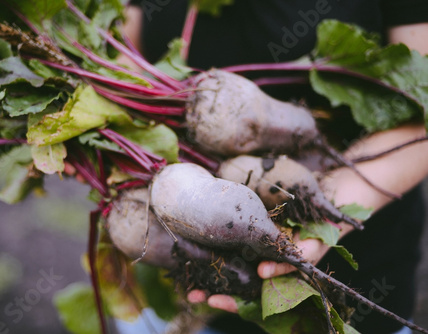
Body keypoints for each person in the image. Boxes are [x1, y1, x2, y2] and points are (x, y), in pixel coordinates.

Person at [122, 1, 428, 333]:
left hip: (361, 271)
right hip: (176, 266)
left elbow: (421, 110)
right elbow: (130, 38)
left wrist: (331, 201)